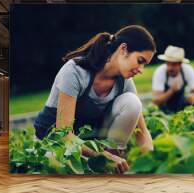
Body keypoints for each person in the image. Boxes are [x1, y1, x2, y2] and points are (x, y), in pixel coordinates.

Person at [34, 25, 156, 174]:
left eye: (145, 64)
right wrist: (100, 157)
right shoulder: (75, 72)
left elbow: (142, 132)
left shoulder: (125, 81)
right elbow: (64, 136)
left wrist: (152, 162)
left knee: (132, 102)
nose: (141, 69)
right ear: (123, 49)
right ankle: (106, 162)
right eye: (140, 60)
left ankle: (113, 160)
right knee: (59, 170)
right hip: (55, 143)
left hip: (90, 145)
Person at [152, 45, 194, 113]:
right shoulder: (160, 72)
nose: (170, 68)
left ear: (180, 64)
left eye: (173, 64)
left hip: (181, 105)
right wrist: (171, 91)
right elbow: (156, 101)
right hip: (164, 108)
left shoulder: (187, 70)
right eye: (168, 63)